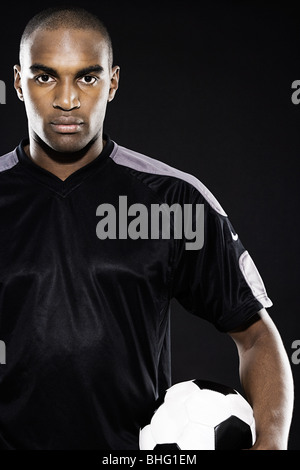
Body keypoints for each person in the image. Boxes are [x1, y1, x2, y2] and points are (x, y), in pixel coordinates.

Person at [0, 5, 293, 450]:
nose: (66, 99)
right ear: (18, 82)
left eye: (87, 77)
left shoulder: (172, 199)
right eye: (45, 77)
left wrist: (271, 441)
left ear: (112, 82)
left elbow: (255, 335)